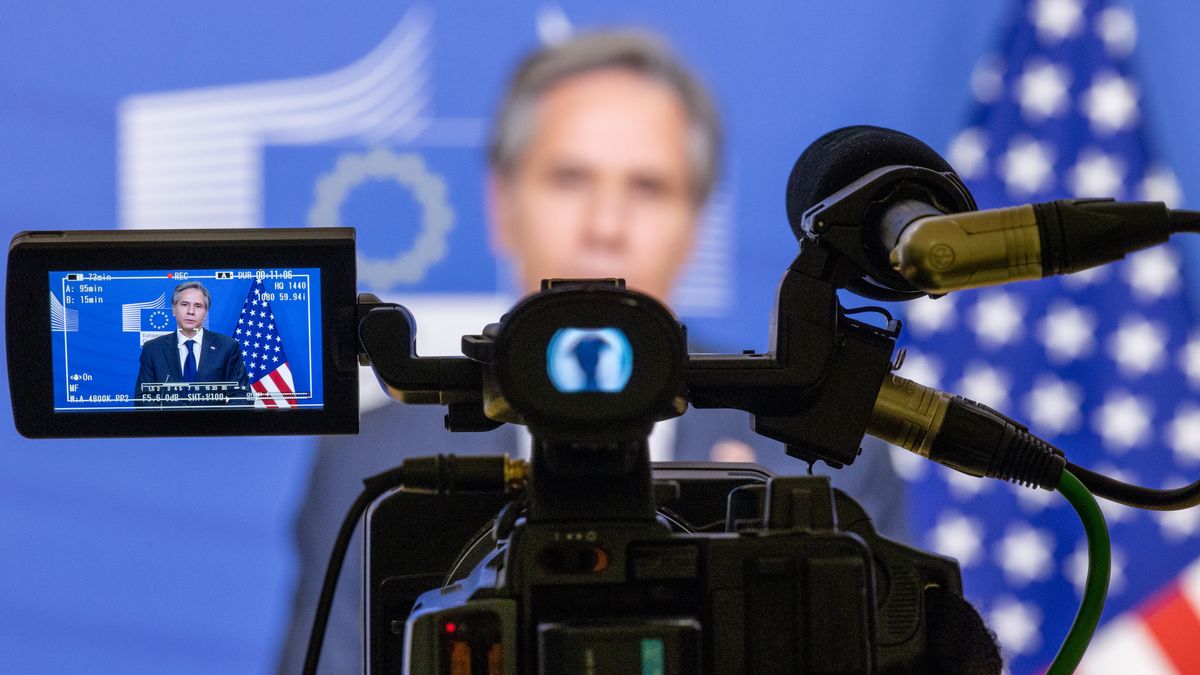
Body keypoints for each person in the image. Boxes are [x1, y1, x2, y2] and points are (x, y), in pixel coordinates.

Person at [277, 30, 910, 673]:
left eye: (648, 187)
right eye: (570, 178)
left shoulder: (812, 453)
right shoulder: (378, 459)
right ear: (503, 205)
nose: (605, 224)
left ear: (695, 223)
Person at [133, 281, 249, 404]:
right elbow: (143, 397)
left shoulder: (227, 346)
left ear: (205, 313)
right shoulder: (153, 349)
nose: (191, 311)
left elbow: (241, 396)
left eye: (198, 306)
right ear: (173, 309)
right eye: (184, 304)